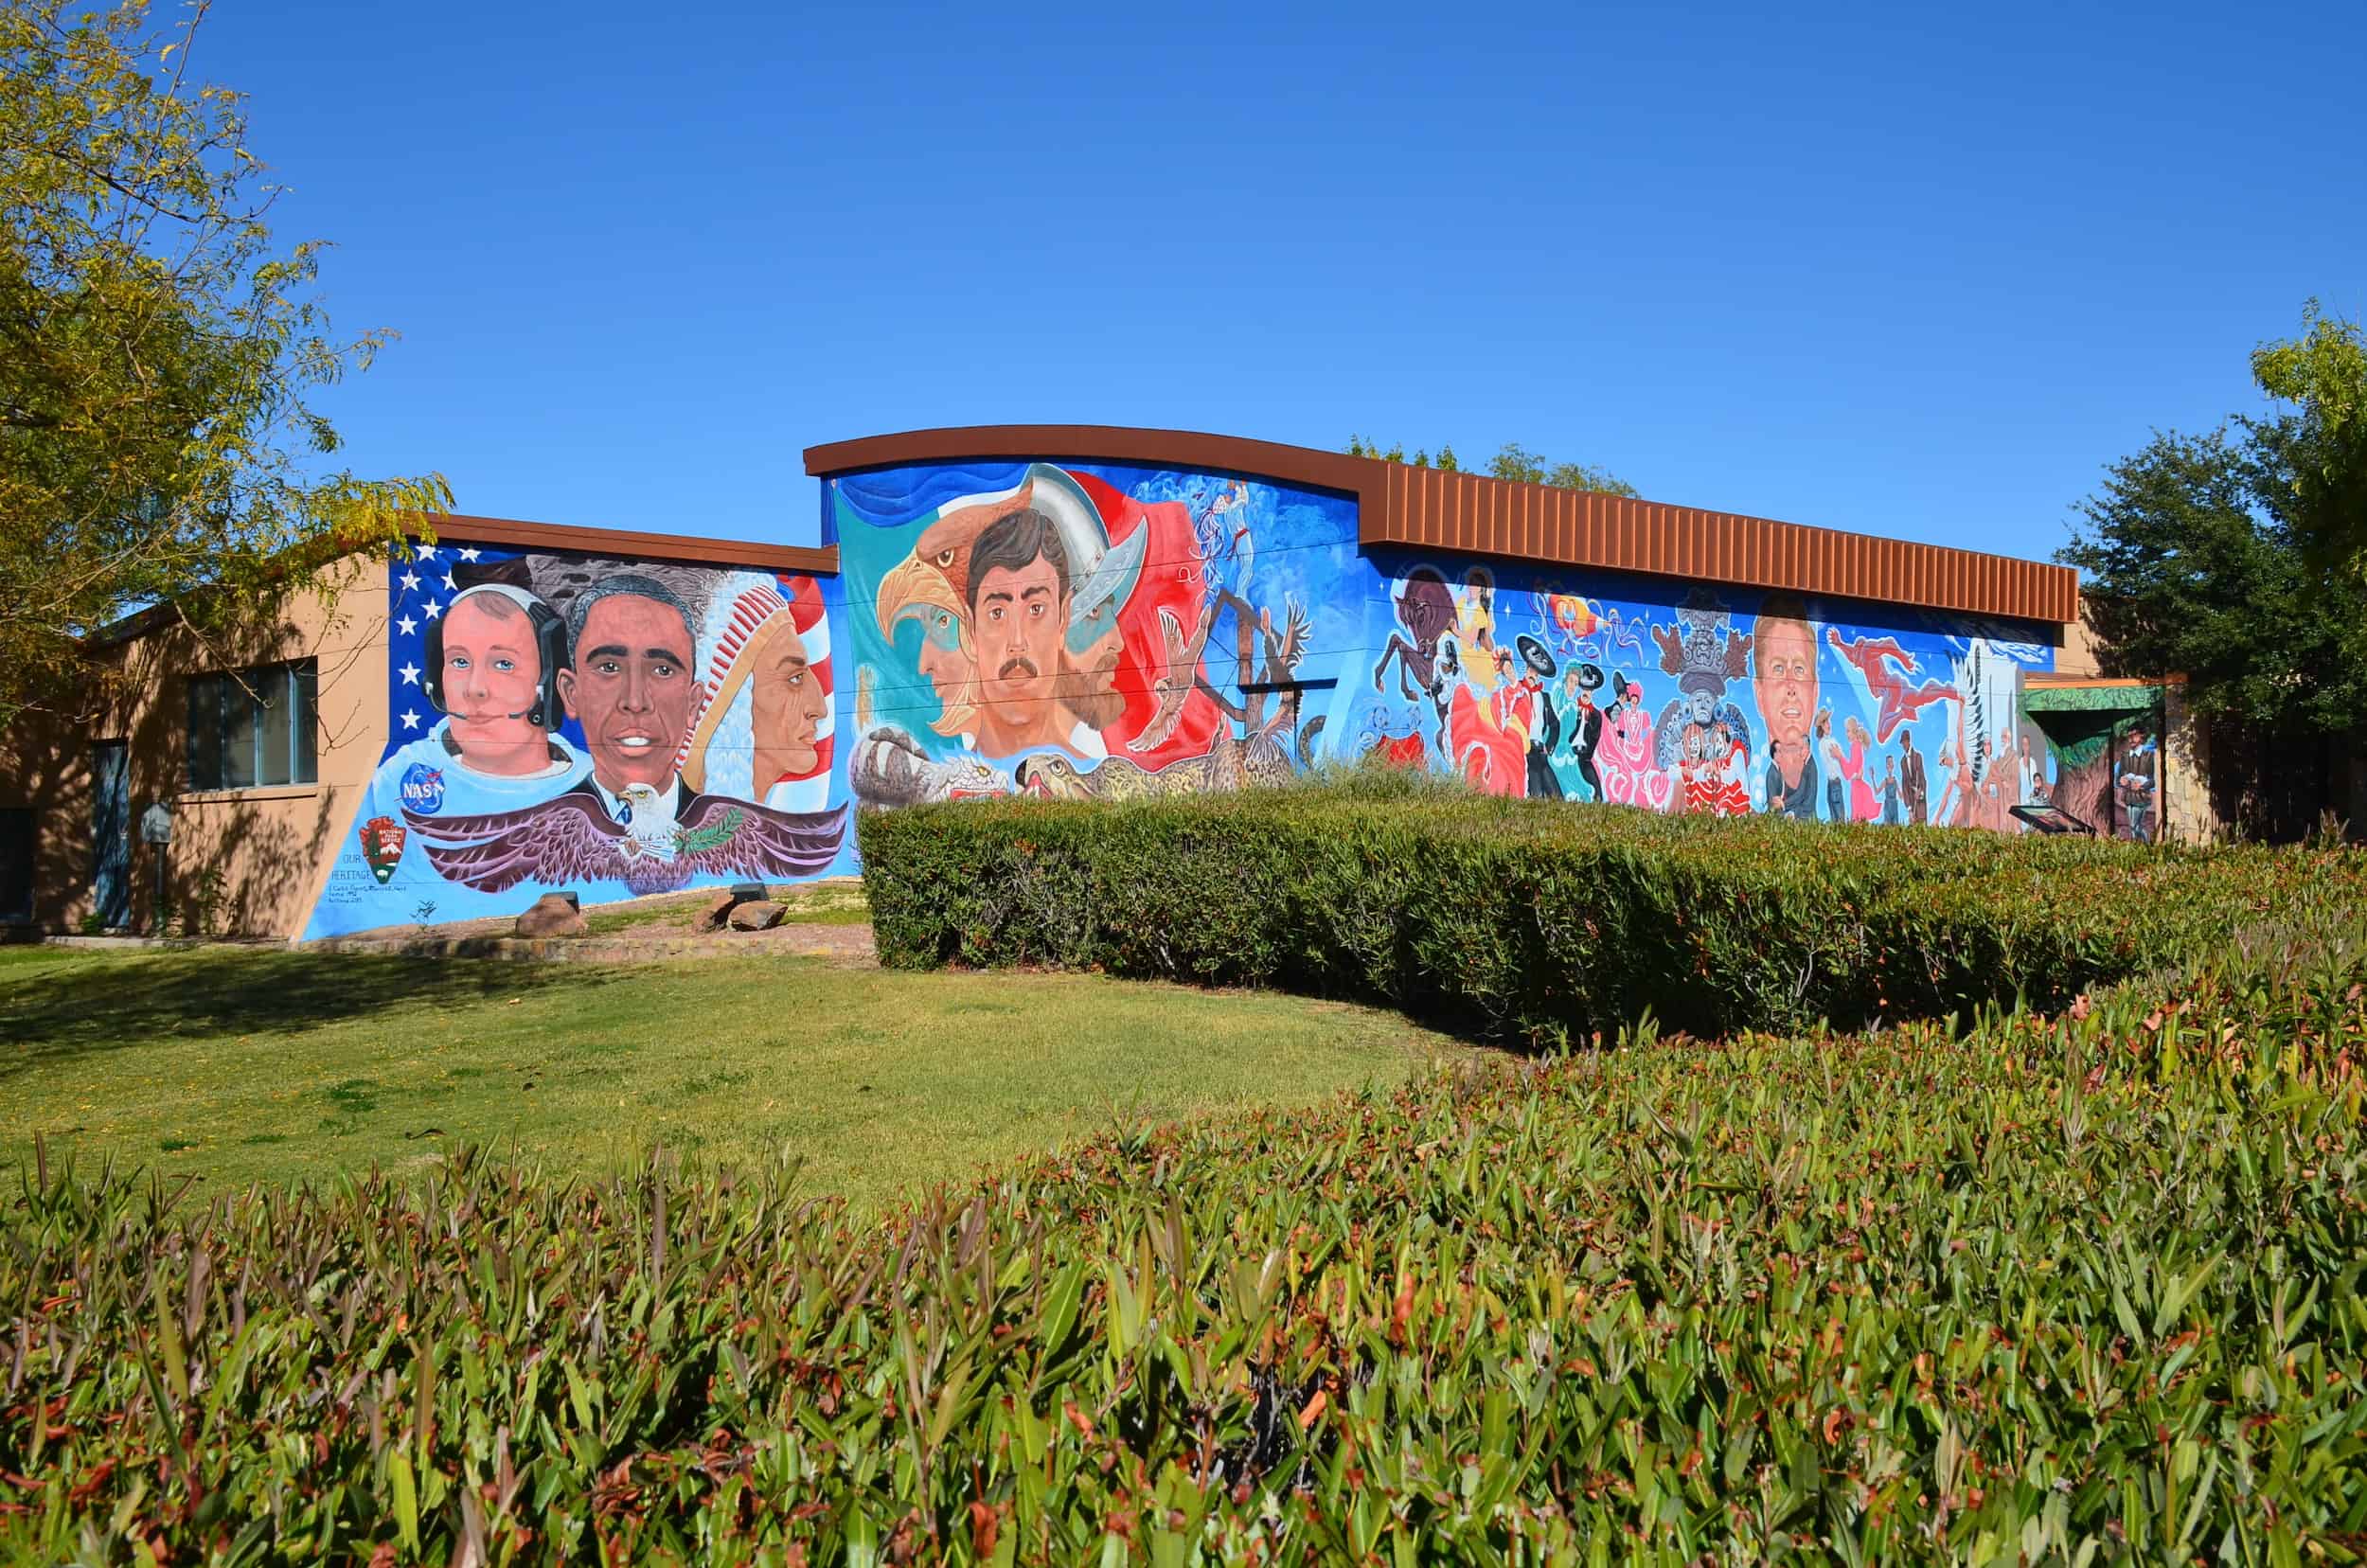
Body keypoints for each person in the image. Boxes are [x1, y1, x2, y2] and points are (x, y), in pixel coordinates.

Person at [366, 583, 585, 837]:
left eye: (504, 664)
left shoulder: (600, 789)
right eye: (459, 661)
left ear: (547, 683)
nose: (475, 688)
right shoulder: (395, 783)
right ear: (437, 681)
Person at [965, 508, 1104, 758]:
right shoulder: (940, 791)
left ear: (1063, 619)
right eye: (998, 613)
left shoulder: (1102, 794)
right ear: (969, 630)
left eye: (1036, 609)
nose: (1017, 642)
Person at [1753, 600, 1820, 820]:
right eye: (1778, 668)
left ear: (1815, 692)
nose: (1791, 686)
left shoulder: (1813, 770)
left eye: (1799, 669)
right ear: (1759, 694)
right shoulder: (1771, 774)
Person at [1563, 663, 1606, 801]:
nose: (1586, 693)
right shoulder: (1572, 707)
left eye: (1590, 690)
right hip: (1569, 753)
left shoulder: (1596, 715)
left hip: (1584, 755)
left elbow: (1595, 737)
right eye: (1585, 689)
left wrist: (1588, 720)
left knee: (1596, 790)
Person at [1842, 716, 1878, 822]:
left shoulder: (1855, 746)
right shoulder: (1857, 745)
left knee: (1857, 814)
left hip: (1857, 785)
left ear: (1853, 731)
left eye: (1848, 731)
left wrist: (1842, 760)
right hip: (1856, 784)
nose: (1846, 734)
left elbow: (1854, 767)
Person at [1816, 708, 1847, 823]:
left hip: (1833, 781)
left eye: (1828, 721)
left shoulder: (1827, 742)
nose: (1828, 724)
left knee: (1836, 814)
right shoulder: (1826, 742)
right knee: (1838, 815)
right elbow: (1837, 758)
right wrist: (1839, 755)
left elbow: (1840, 757)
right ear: (1821, 727)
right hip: (1834, 781)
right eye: (1825, 722)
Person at [1880, 755, 1901, 825]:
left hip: (1894, 804)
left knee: (1895, 824)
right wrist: (1872, 778)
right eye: (1888, 762)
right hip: (1888, 804)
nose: (1889, 764)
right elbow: (1877, 792)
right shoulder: (1885, 781)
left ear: (1893, 765)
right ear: (1886, 765)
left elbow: (1901, 795)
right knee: (1887, 824)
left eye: (1891, 762)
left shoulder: (1895, 780)